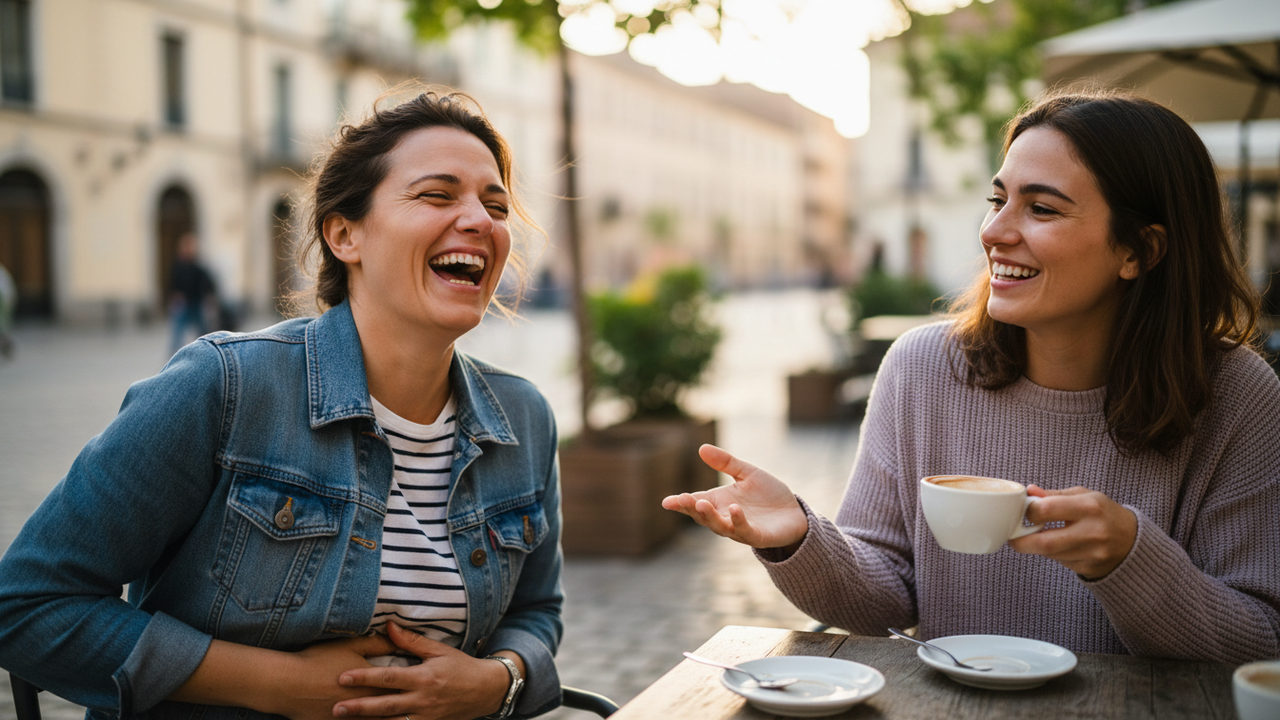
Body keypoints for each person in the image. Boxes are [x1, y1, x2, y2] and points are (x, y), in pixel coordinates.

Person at [0, 90, 564, 720]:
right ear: (345, 234)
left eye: (495, 205)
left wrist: (500, 681)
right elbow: (27, 603)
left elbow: (537, 612)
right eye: (437, 194)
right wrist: (280, 685)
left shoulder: (525, 420)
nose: (482, 221)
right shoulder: (223, 387)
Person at [664, 89, 1280, 664]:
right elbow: (887, 595)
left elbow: (1261, 640)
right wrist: (799, 538)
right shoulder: (923, 369)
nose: (993, 232)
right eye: (997, 199)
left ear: (1139, 251)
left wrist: (1130, 559)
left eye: (1041, 208)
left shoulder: (1238, 396)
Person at [167, 231, 217, 354]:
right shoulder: (178, 265)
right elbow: (172, 283)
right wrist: (174, 295)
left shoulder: (197, 265)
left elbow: (208, 281)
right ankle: (174, 353)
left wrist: (209, 297)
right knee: (178, 331)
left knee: (203, 329)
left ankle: (208, 350)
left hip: (196, 301)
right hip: (183, 303)